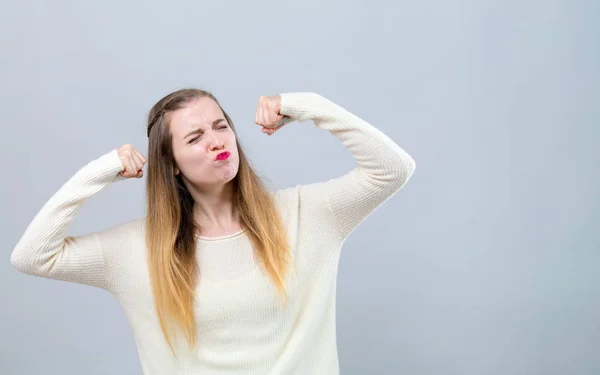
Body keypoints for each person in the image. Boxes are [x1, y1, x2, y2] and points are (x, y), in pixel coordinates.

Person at [10, 89, 416, 374]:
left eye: (221, 126)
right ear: (171, 163)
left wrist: (309, 106)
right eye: (195, 137)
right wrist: (98, 173)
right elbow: (32, 256)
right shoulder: (139, 250)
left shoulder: (305, 215)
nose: (216, 141)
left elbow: (393, 169)